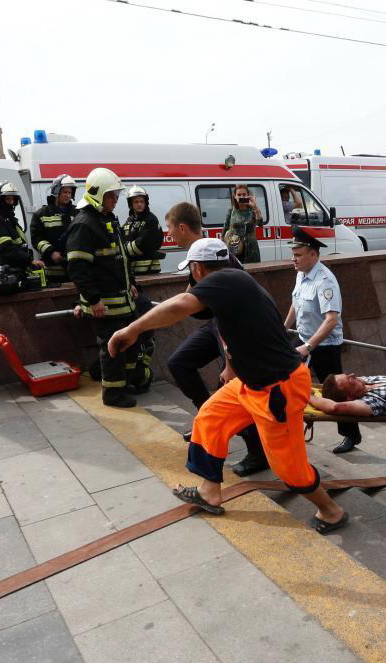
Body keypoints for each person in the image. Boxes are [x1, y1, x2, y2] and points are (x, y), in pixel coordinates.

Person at [107, 238, 348, 534]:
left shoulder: (227, 281)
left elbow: (182, 304)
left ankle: (331, 511)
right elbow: (214, 319)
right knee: (209, 418)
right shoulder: (232, 284)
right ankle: (209, 491)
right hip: (251, 384)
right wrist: (232, 367)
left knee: (289, 468)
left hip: (278, 389)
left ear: (197, 268)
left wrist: (132, 329)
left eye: (192, 271)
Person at [163, 202, 268, 477]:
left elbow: (227, 312)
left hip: (232, 328)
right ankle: (208, 416)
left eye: (170, 227)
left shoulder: (215, 255)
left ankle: (258, 453)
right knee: (179, 363)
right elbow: (191, 296)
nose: (169, 233)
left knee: (232, 388)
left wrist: (230, 364)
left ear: (182, 227)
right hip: (215, 324)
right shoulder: (198, 255)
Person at [66, 167, 142, 408]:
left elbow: (120, 258)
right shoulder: (84, 224)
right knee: (113, 348)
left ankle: (124, 383)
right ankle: (113, 394)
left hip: (121, 301)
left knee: (127, 344)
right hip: (105, 305)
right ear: (97, 194)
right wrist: (93, 299)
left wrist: (131, 284)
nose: (115, 200)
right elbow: (78, 268)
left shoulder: (105, 219)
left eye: (117, 195)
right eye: (111, 195)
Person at [284, 227, 362, 454]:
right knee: (287, 381)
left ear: (313, 254)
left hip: (325, 346)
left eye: (298, 255)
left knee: (334, 392)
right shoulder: (301, 273)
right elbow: (296, 303)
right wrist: (284, 328)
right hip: (302, 339)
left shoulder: (325, 281)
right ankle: (292, 425)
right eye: (293, 254)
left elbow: (331, 320)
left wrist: (309, 347)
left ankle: (351, 434)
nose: (293, 259)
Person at [0, 181, 43, 271]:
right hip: (10, 269)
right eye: (8, 199)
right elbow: (6, 250)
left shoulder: (8, 218)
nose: (11, 202)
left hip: (18, 267)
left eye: (13, 199)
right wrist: (29, 260)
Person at [30, 173, 77, 283]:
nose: (68, 195)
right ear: (56, 192)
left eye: (70, 192)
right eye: (65, 192)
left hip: (75, 270)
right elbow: (36, 238)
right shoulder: (42, 214)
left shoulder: (77, 212)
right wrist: (51, 252)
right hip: (52, 272)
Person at [121, 186, 164, 276]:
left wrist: (123, 250)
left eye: (142, 201)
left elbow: (143, 243)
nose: (139, 204)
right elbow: (123, 236)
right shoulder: (130, 220)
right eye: (136, 202)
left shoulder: (151, 219)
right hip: (134, 270)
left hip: (150, 270)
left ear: (146, 203)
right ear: (131, 204)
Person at [223, 184, 262, 263]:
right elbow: (225, 229)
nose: (241, 197)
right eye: (239, 194)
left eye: (244, 194)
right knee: (236, 268)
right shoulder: (231, 210)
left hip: (251, 249)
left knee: (253, 269)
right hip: (235, 248)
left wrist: (255, 207)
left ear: (248, 195)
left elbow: (260, 223)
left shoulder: (253, 210)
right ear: (235, 196)